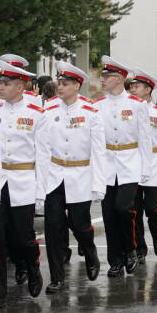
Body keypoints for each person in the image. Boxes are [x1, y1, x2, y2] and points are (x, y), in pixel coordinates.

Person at [35, 61, 104, 293]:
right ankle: (57, 278)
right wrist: (40, 183)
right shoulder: (49, 109)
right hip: (55, 175)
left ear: (77, 85)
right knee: (53, 227)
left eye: (65, 84)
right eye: (59, 83)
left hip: (80, 174)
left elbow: (98, 151)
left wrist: (98, 184)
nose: (60, 87)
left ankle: (90, 251)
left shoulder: (91, 111)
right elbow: (42, 149)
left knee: (79, 224)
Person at [94, 57, 153, 278]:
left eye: (106, 76)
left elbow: (145, 139)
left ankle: (130, 249)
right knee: (108, 214)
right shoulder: (98, 106)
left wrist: (146, 169)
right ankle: (115, 260)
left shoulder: (137, 105)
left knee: (123, 208)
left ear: (118, 78)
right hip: (107, 164)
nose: (102, 79)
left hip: (130, 163)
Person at [0, 59, 43, 297]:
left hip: (23, 180)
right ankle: (0, 289)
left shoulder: (36, 114)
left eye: (7, 83)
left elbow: (42, 155)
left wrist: (40, 191)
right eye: (0, 82)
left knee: (23, 238)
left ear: (21, 87)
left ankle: (33, 267)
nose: (1, 86)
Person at [127, 68, 157, 262]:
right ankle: (139, 248)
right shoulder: (128, 111)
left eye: (137, 87)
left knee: (152, 208)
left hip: (154, 164)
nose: (133, 90)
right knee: (134, 211)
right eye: (132, 87)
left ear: (148, 90)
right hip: (133, 163)